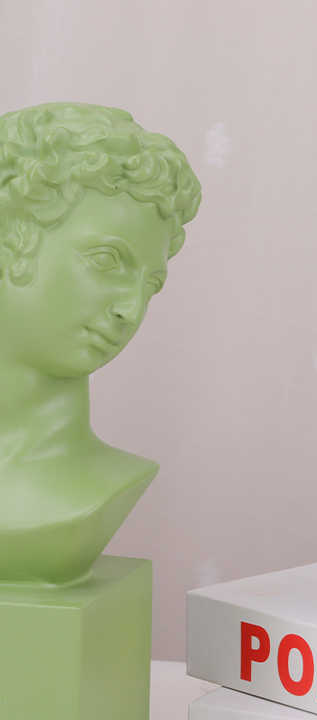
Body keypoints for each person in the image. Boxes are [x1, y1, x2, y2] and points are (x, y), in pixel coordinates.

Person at [0, 102, 201, 583]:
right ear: (11, 237)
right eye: (107, 260)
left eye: (151, 285)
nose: (131, 310)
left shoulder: (106, 486)